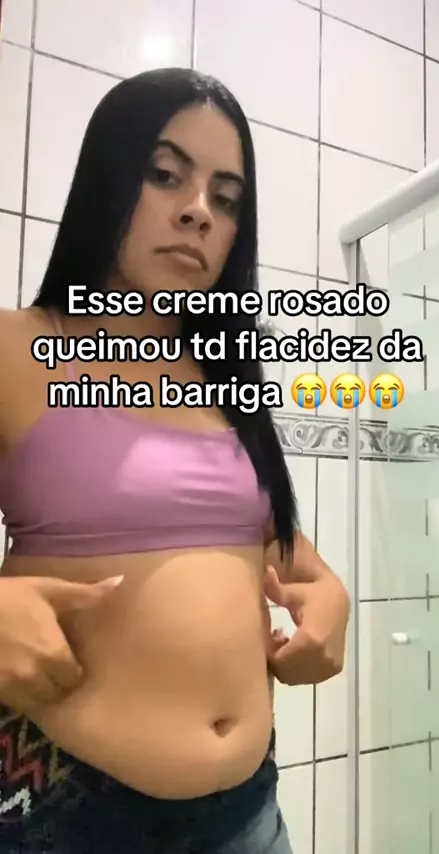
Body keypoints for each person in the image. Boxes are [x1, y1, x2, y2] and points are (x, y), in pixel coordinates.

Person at [0, 68, 350, 853]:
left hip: (248, 812)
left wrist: (331, 595)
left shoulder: (225, 381)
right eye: (165, 175)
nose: (199, 211)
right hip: (65, 810)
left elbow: (267, 545)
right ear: (107, 176)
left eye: (227, 199)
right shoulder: (14, 348)